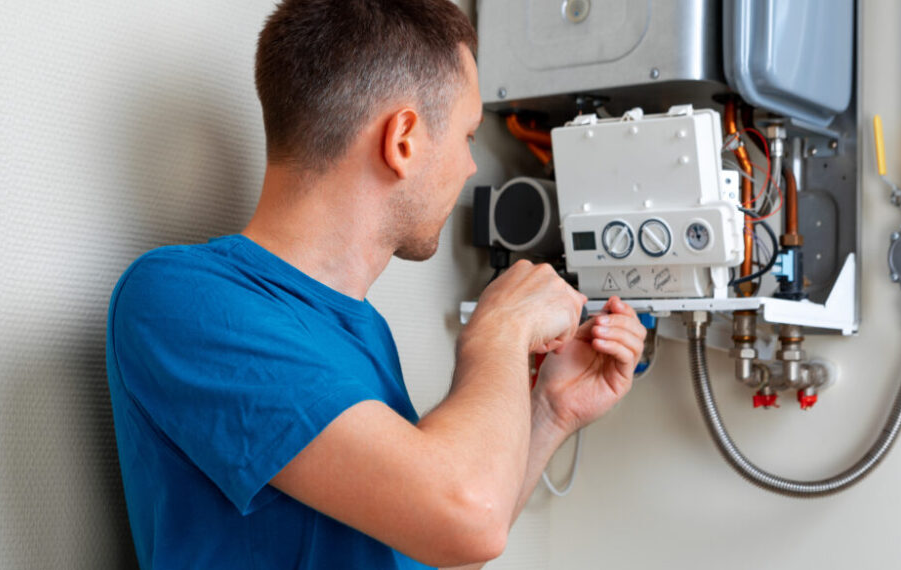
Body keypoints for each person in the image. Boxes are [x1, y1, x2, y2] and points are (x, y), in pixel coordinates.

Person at [105, 0, 646, 568]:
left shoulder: (360, 330)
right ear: (403, 139)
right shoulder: (182, 301)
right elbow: (467, 519)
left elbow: (439, 538)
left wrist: (550, 409)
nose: (468, 168)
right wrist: (500, 330)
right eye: (467, 136)